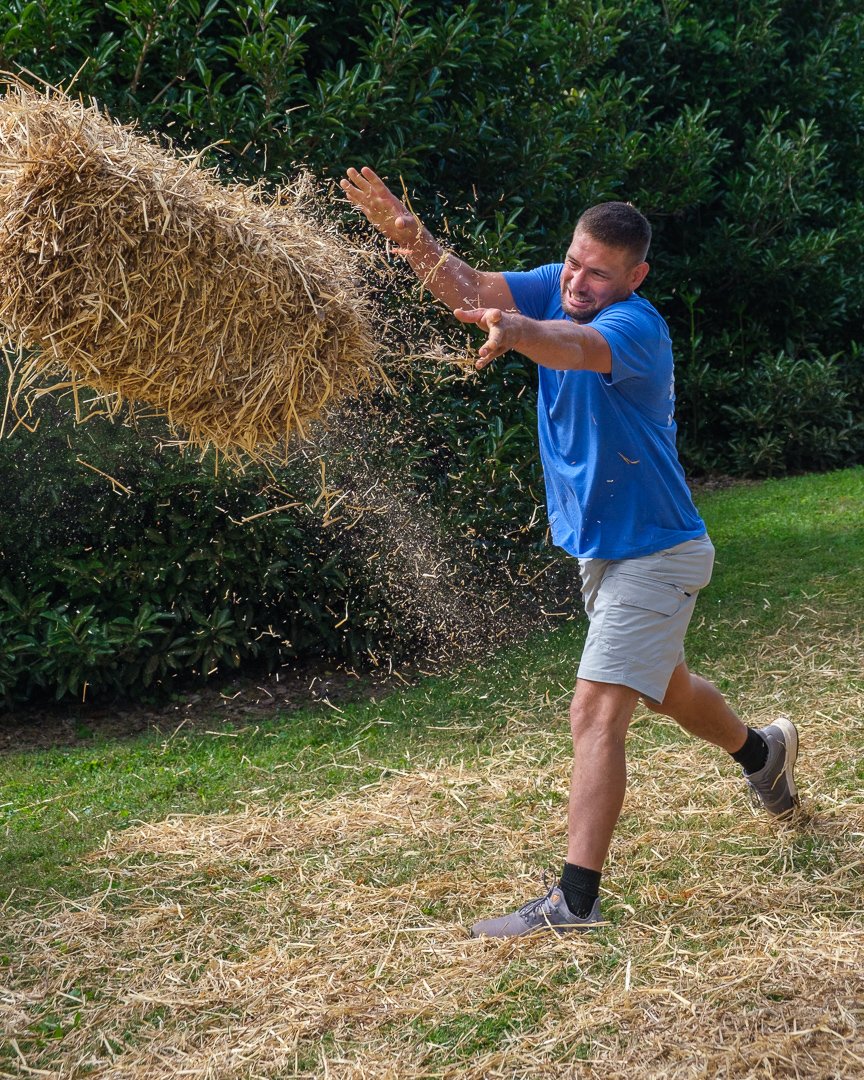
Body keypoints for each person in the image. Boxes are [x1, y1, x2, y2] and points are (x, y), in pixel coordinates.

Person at [340, 166, 800, 939]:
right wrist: (410, 236)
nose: (579, 280)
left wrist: (516, 331)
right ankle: (762, 754)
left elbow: (574, 347)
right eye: (575, 263)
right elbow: (467, 287)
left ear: (636, 276)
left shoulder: (636, 329)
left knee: (594, 712)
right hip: (605, 551)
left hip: (659, 550)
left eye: (599, 273)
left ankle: (573, 904)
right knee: (665, 688)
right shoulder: (559, 280)